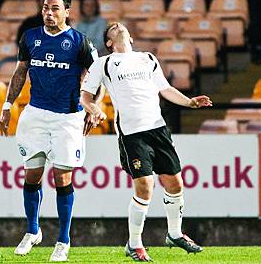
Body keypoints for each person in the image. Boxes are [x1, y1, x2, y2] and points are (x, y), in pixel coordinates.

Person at [80, 21, 210, 262]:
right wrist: (94, 109)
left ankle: (174, 234)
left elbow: (165, 89)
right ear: (109, 42)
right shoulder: (104, 63)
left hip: (158, 129)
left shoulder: (147, 58)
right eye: (111, 28)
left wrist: (189, 101)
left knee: (175, 183)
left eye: (120, 26)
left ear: (130, 38)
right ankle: (135, 243)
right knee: (145, 185)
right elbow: (85, 96)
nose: (117, 26)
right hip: (132, 133)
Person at [0, 0, 98, 262]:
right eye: (45, 8)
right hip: (35, 114)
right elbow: (20, 72)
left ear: (67, 12)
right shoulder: (30, 37)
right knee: (31, 176)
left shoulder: (80, 42)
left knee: (61, 178)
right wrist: (7, 106)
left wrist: (92, 108)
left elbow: (97, 75)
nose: (49, 13)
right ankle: (32, 231)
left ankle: (63, 240)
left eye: (55, 8)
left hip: (68, 116)